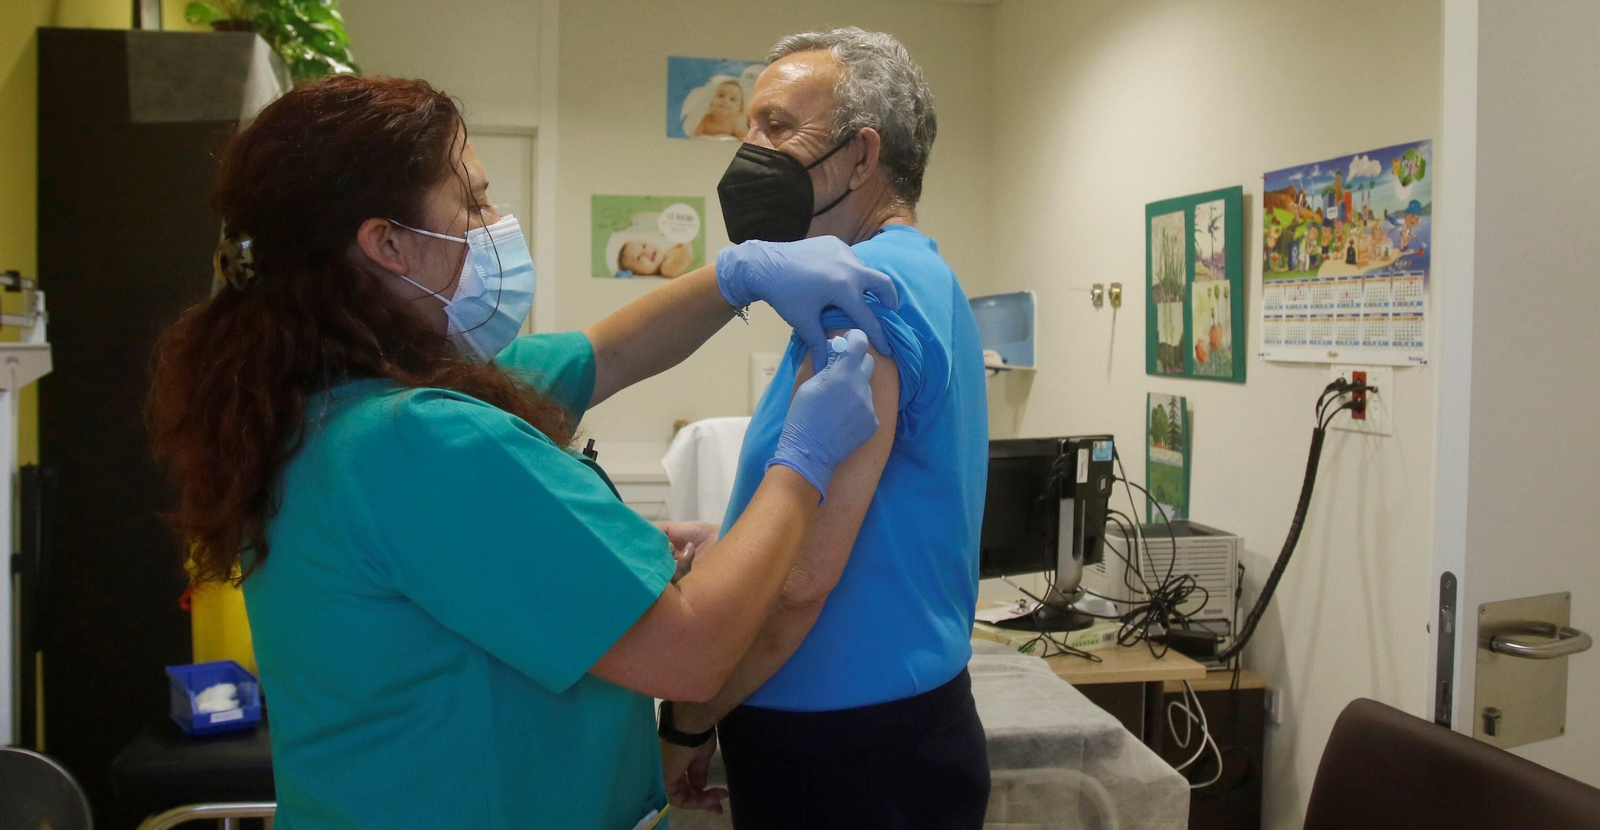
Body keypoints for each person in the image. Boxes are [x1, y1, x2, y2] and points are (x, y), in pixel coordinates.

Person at [147, 74, 901, 830]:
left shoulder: (317, 401)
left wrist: (740, 273)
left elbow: (605, 354)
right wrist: (803, 462)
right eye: (472, 203)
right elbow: (692, 652)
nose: (495, 224)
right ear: (387, 243)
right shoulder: (420, 438)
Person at [660, 27, 991, 829]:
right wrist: (736, 537)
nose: (751, 151)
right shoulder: (903, 274)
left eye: (778, 128)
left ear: (862, 154)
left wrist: (689, 718)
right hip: (883, 729)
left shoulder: (863, 290)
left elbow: (804, 581)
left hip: (851, 751)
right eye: (749, 129)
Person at [617, 237, 693, 278]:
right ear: (637, 273)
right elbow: (687, 257)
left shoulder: (668, 253)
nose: (646, 252)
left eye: (644, 246)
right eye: (639, 257)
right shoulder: (666, 269)